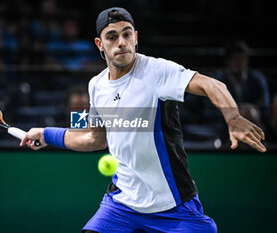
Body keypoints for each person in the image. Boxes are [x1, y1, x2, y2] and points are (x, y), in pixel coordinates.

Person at [20, 7, 266, 233]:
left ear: (136, 37)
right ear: (99, 44)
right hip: (122, 206)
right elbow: (94, 137)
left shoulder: (157, 71)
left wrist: (233, 117)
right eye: (112, 37)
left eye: (127, 34)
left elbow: (211, 84)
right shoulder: (95, 85)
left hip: (174, 207)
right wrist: (46, 134)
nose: (121, 42)